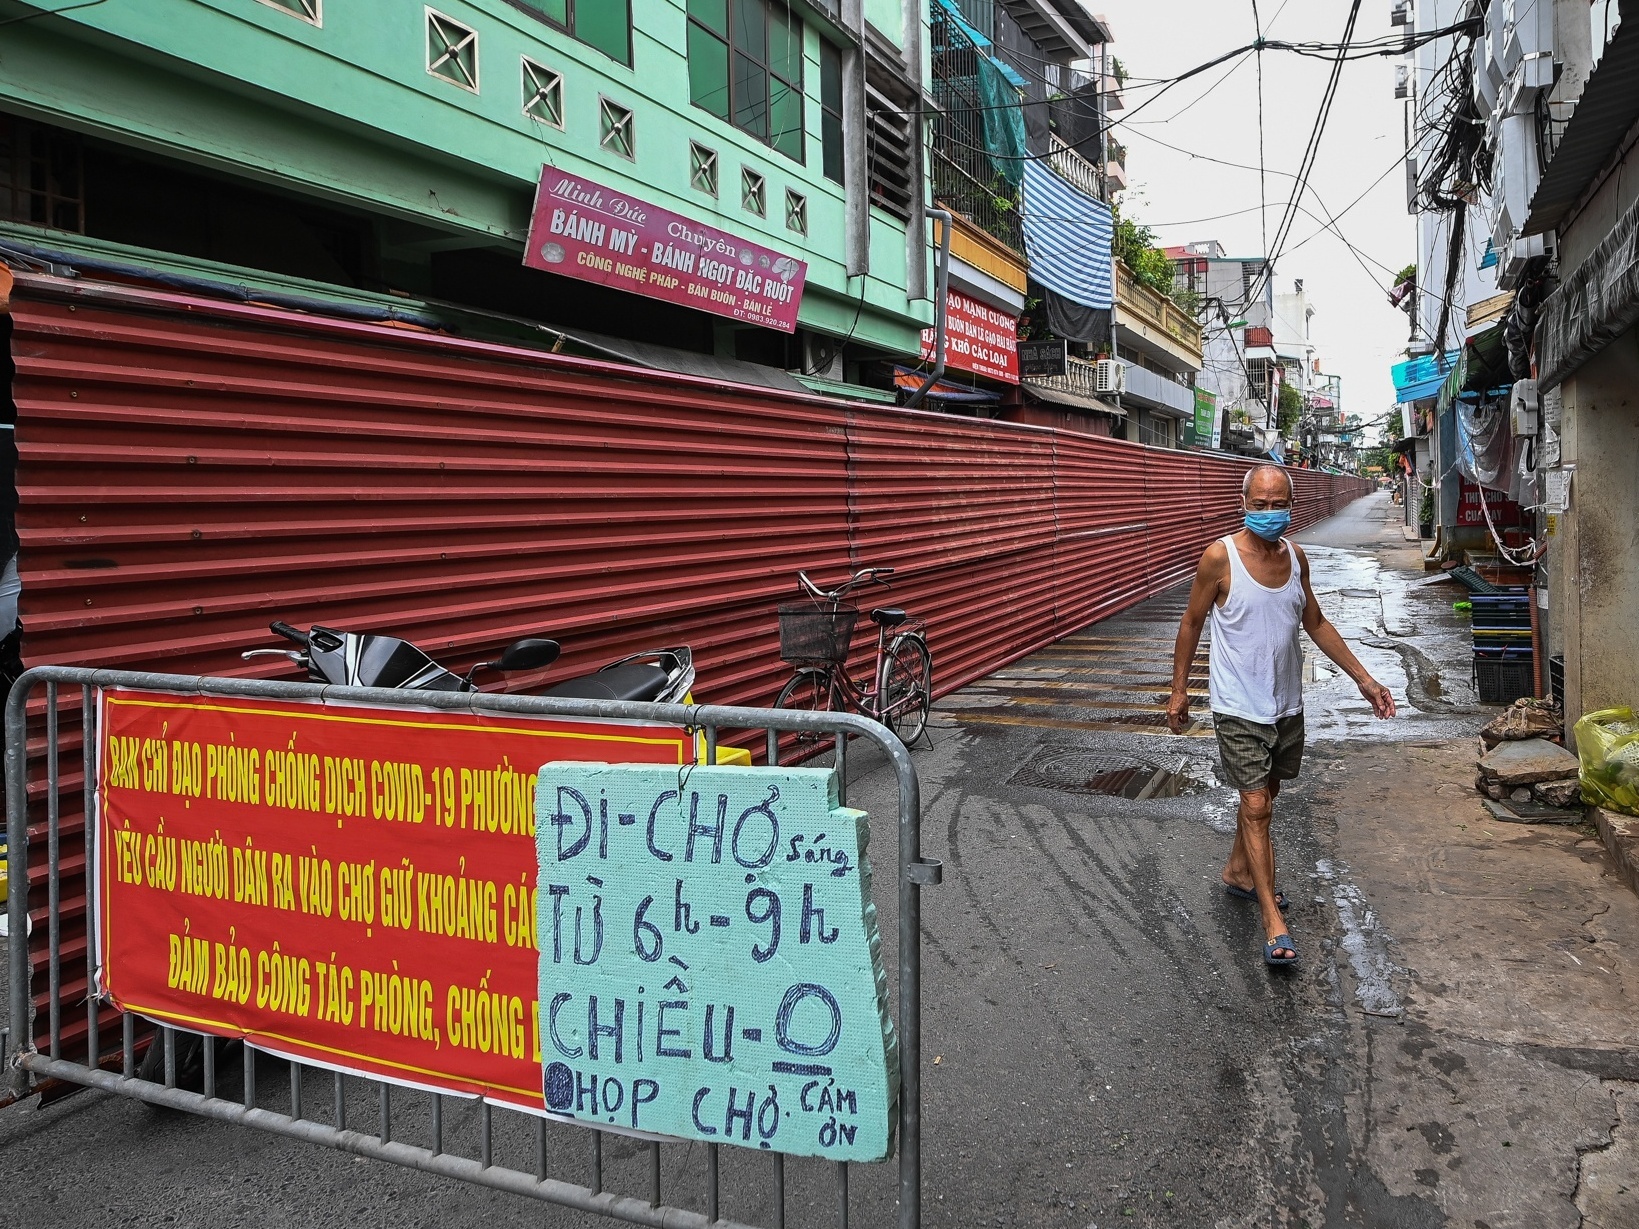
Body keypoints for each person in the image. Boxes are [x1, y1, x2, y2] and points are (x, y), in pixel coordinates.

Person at [1167, 465, 1395, 967]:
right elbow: (1191, 623)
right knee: (1256, 805)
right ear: (1243, 502)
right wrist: (1180, 690)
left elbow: (1315, 621)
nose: (1270, 513)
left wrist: (1365, 679)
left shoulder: (1296, 558)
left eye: (1279, 504)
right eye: (1261, 503)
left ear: (1290, 503)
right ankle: (1272, 920)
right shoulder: (1219, 558)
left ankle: (1238, 873)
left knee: (1266, 795)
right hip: (1237, 706)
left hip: (1286, 704)